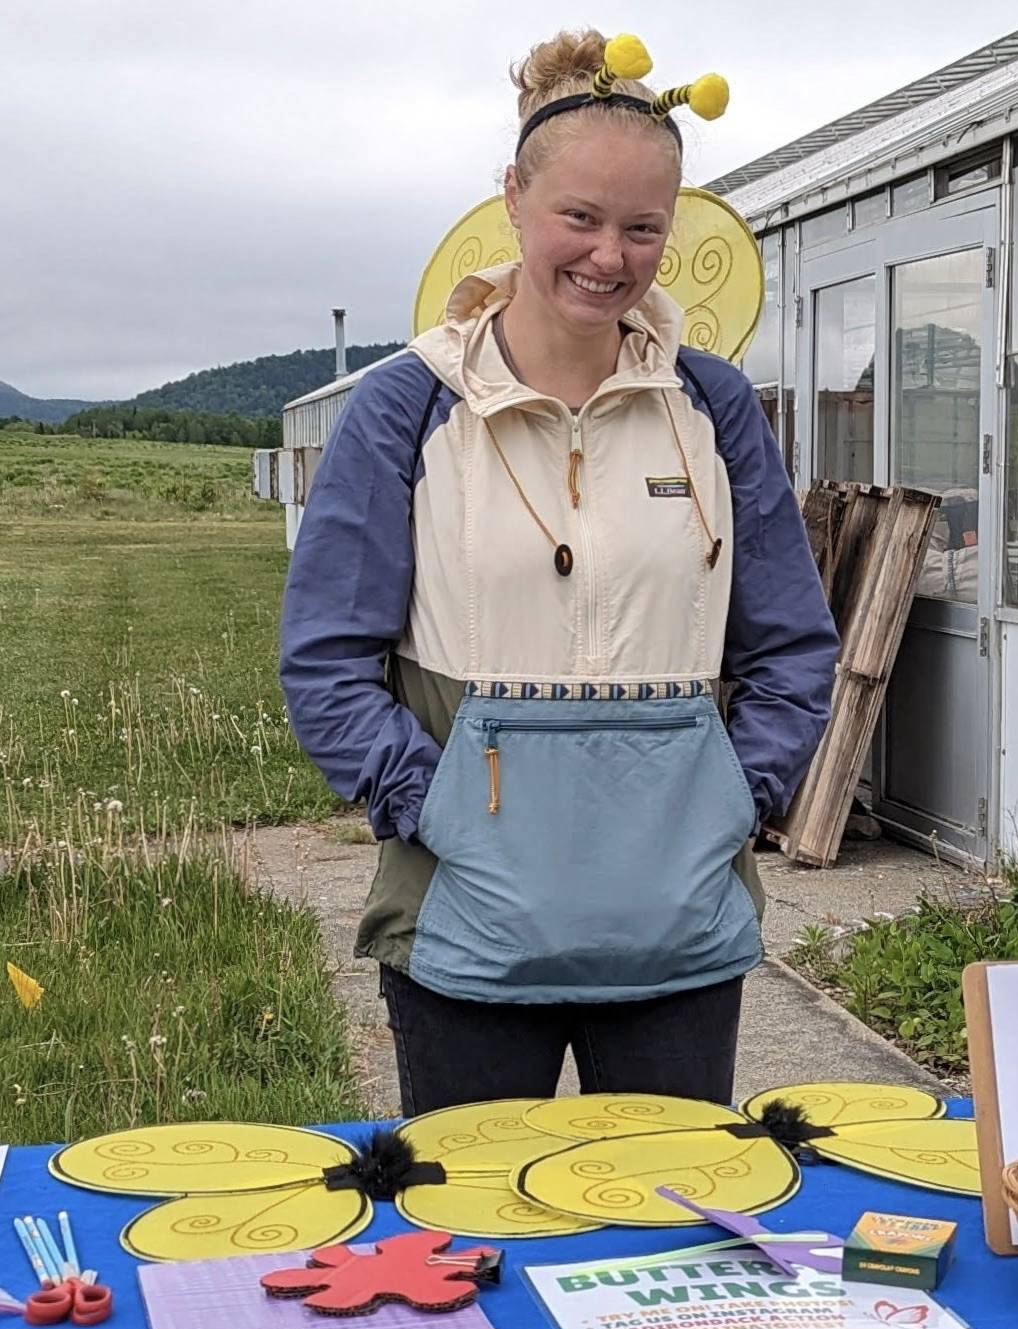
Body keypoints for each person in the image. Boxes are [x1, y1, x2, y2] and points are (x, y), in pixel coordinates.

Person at [279, 28, 838, 1115]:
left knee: (664, 1225)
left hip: (676, 921)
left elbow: (791, 647)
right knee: (472, 1232)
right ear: (514, 201)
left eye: (642, 228)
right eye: (579, 217)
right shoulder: (407, 408)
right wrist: (433, 803)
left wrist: (731, 798)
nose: (608, 256)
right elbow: (326, 663)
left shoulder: (713, 411)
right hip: (466, 914)